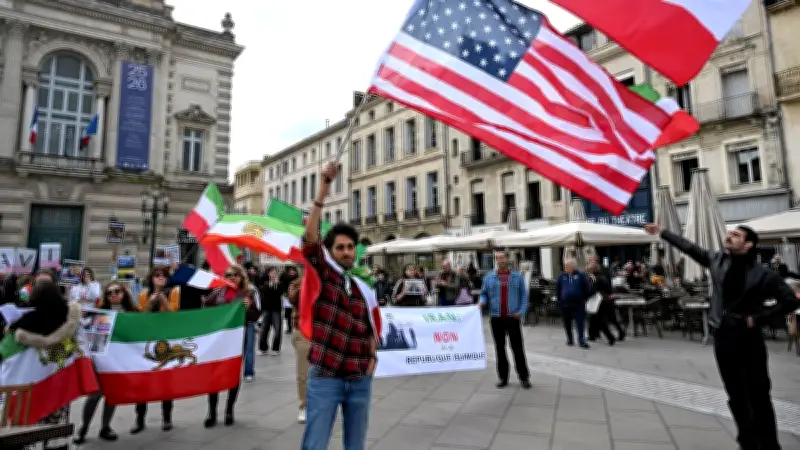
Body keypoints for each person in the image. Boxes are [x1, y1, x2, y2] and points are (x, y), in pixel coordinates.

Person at [644, 223, 797, 450]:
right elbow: (690, 248)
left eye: (736, 235)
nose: (729, 236)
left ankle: (769, 444)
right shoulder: (717, 261)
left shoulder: (764, 275)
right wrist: (662, 232)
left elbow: (791, 301)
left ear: (748, 244)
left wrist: (758, 318)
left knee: (759, 395)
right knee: (735, 394)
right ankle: (747, 440)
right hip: (724, 337)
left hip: (749, 338)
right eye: (729, 233)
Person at [301, 162, 377, 450]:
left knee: (355, 445)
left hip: (359, 375)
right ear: (331, 252)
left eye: (350, 247)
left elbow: (372, 323)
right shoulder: (325, 274)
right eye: (340, 247)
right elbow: (310, 240)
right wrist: (324, 186)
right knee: (315, 443)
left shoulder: (364, 281)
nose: (346, 252)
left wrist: (373, 360)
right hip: (326, 373)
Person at [74, 282, 138, 444]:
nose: (113, 294)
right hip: (100, 361)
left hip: (119, 362)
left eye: (117, 291)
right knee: (94, 395)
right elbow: (90, 339)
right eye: (109, 293)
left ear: (124, 293)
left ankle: (105, 427)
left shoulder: (133, 313)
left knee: (111, 395)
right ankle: (83, 427)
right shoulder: (99, 313)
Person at [203, 264, 261, 426]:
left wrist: (249, 308)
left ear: (242, 277)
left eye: (236, 274)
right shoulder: (216, 294)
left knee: (233, 373)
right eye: (229, 275)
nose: (232, 277)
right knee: (214, 375)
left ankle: (229, 410)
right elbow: (205, 313)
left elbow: (255, 316)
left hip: (237, 339)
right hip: (218, 340)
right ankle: (212, 411)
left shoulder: (247, 294)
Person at [131, 266, 180, 434]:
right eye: (156, 276)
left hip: (165, 339)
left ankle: (167, 417)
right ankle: (139, 418)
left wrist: (163, 300)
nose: (160, 278)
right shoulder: (144, 294)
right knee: (143, 380)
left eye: (163, 276)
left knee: (166, 380)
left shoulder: (173, 292)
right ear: (151, 278)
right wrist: (151, 302)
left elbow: (173, 314)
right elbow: (140, 315)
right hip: (147, 339)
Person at [479, 250, 531, 389]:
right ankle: (503, 377)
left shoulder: (517, 277)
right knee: (499, 349)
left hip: (512, 318)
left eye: (502, 258)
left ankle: (524, 377)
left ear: (507, 259)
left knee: (517, 348)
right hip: (496, 318)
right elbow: (483, 294)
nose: (500, 260)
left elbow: (524, 297)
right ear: (496, 260)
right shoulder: (489, 277)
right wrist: (482, 302)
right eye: (498, 258)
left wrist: (521, 312)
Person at [556, 258, 591, 349]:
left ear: (573, 266)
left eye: (568, 265)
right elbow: (558, 289)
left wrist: (584, 298)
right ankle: (570, 339)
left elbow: (586, 288)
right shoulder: (561, 276)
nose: (566, 267)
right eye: (565, 265)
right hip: (565, 304)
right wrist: (559, 300)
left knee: (580, 322)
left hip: (578, 304)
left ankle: (581, 339)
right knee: (567, 323)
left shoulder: (581, 275)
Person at [287, 276, 308, 423]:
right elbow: (292, 300)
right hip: (303, 332)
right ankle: (303, 406)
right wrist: (308, 283)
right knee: (304, 373)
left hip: (323, 332)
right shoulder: (297, 283)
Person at [586, 261, 621, 345]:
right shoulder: (602, 277)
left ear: (591, 270)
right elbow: (609, 289)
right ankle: (592, 335)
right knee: (593, 319)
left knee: (601, 321)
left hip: (599, 302)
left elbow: (592, 291)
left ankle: (610, 338)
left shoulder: (594, 279)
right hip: (605, 301)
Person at [259, 266, 284, 355]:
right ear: (268, 274)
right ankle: (263, 348)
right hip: (266, 309)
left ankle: (275, 349)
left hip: (276, 310)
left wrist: (277, 284)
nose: (274, 274)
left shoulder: (280, 284)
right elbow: (263, 295)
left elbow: (280, 293)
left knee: (277, 329)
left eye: (275, 272)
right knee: (264, 329)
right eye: (272, 272)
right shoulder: (264, 284)